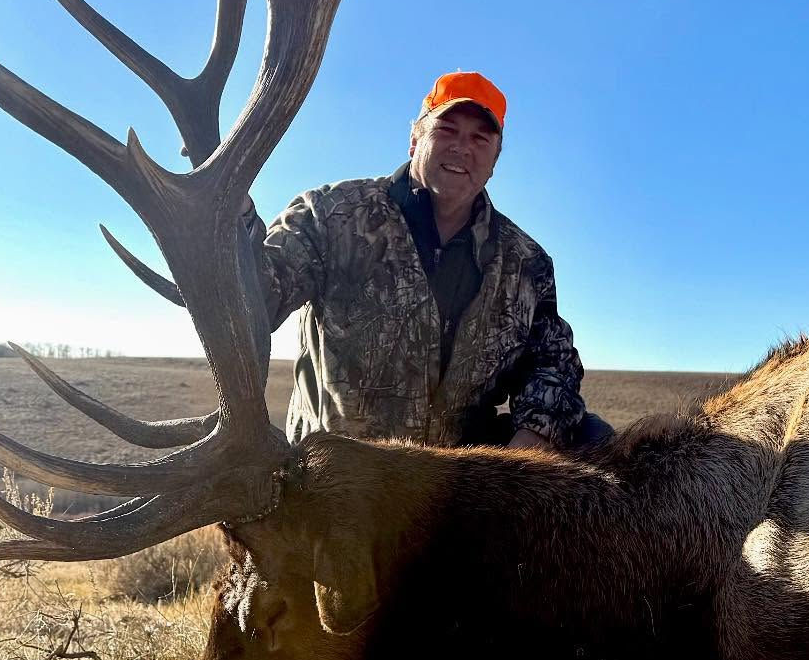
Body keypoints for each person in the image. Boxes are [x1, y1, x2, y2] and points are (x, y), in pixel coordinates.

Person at [251, 70, 611, 451]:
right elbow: (256, 298)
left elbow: (553, 363)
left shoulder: (525, 262)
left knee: (596, 439)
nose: (462, 147)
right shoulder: (331, 217)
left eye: (479, 137)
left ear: (495, 157)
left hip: (453, 484)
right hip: (339, 478)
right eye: (447, 130)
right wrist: (228, 222)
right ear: (414, 139)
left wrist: (533, 437)